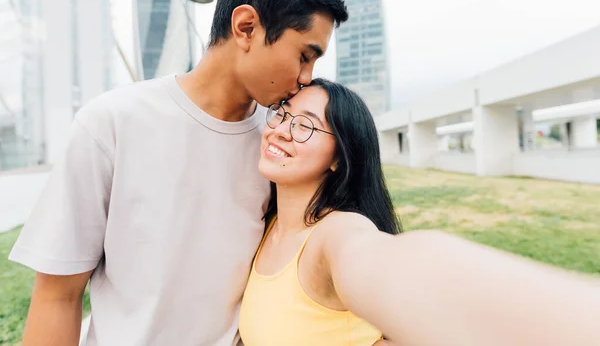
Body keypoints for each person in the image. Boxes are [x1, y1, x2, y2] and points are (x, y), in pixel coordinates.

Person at [8, 0, 348, 345]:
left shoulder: (278, 151)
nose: (307, 77)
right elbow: (57, 296)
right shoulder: (112, 123)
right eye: (305, 56)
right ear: (246, 27)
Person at [239, 78, 600, 346]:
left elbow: (400, 266)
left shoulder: (335, 236)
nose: (280, 131)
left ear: (338, 158)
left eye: (304, 125)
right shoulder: (264, 226)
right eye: (282, 115)